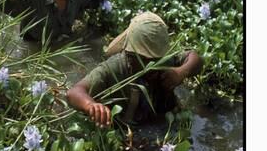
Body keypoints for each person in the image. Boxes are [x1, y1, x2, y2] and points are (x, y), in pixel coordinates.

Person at [67, 12, 203, 127]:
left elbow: (195, 58)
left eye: (155, 60)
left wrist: (181, 72)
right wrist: (91, 106)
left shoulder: (165, 61)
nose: (150, 66)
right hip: (126, 126)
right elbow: (74, 92)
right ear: (130, 54)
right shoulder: (114, 67)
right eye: (143, 59)